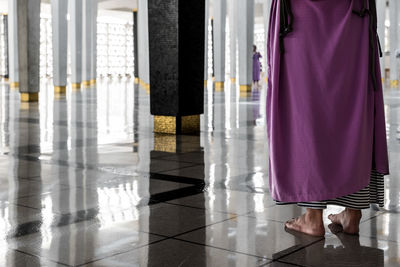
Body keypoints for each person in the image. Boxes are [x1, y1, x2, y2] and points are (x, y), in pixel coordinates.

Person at [266, 0, 389, 236]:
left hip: (302, 16)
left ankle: (312, 217)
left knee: (305, 107)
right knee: (354, 103)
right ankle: (352, 214)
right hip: (354, 13)